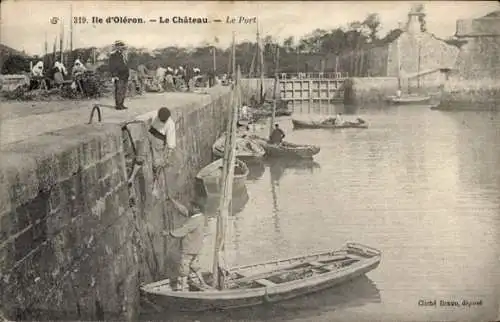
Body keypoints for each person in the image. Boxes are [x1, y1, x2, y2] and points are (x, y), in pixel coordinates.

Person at [163, 195, 210, 291]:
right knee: (194, 265)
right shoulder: (200, 217)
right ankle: (202, 282)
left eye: (192, 206)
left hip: (189, 247)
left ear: (196, 208)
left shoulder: (194, 220)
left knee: (184, 267)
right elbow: (184, 210)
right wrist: (173, 201)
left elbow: (183, 230)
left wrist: (168, 233)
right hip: (197, 247)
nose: (190, 208)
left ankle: (184, 288)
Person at [108, 40, 129, 110]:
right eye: (119, 45)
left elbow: (126, 65)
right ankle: (118, 105)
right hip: (118, 75)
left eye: (122, 46)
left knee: (123, 90)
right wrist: (114, 75)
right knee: (119, 90)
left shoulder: (124, 55)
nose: (121, 47)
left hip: (125, 75)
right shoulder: (113, 55)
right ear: (116, 46)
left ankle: (121, 104)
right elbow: (111, 66)